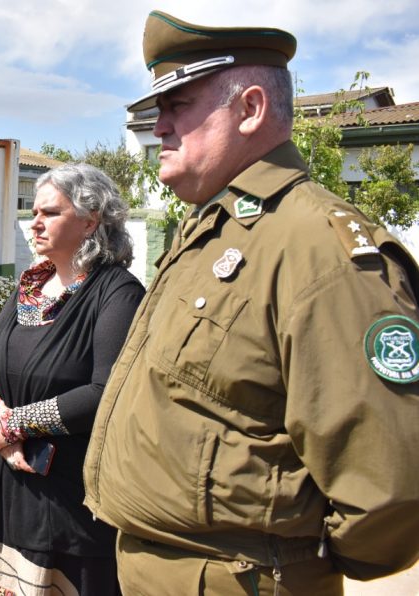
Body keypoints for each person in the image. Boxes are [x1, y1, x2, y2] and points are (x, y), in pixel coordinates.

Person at [83, 10, 419, 595]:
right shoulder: (215, 228)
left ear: (251, 109)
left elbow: (390, 489)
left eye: (177, 104)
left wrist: (295, 565)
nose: (158, 126)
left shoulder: (320, 247)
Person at [0, 163, 145, 596]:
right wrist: (0, 429)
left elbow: (106, 394)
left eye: (50, 213)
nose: (36, 222)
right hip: (12, 482)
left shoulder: (118, 292)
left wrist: (14, 424)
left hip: (72, 500)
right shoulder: (31, 284)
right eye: (35, 212)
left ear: (89, 221)